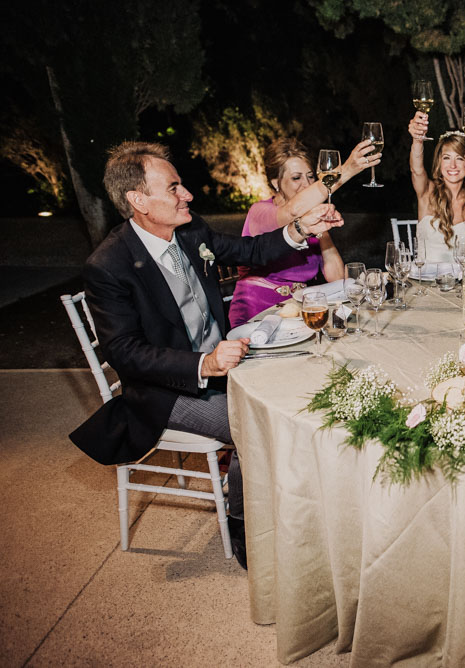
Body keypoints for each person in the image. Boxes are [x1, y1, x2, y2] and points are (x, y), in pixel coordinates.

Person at [69, 141, 342, 568]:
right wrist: (205, 363)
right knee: (258, 422)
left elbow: (251, 251)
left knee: (305, 382)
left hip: (228, 360)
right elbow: (125, 353)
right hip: (167, 389)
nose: (188, 195)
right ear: (138, 200)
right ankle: (243, 523)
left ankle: (301, 504)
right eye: (174, 188)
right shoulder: (109, 265)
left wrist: (302, 228)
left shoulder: (191, 230)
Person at [228, 137, 378, 327]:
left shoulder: (311, 220)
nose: (307, 185)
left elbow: (338, 278)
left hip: (300, 311)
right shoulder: (261, 212)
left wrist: (323, 230)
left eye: (310, 176)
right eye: (296, 178)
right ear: (276, 183)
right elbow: (291, 212)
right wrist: (345, 170)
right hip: (257, 311)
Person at [408, 112, 465, 267]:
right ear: (439, 162)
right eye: (446, 158)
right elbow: (416, 170)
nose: (452, 165)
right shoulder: (427, 192)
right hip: (424, 279)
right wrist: (417, 140)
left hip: (461, 281)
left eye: (459, 158)